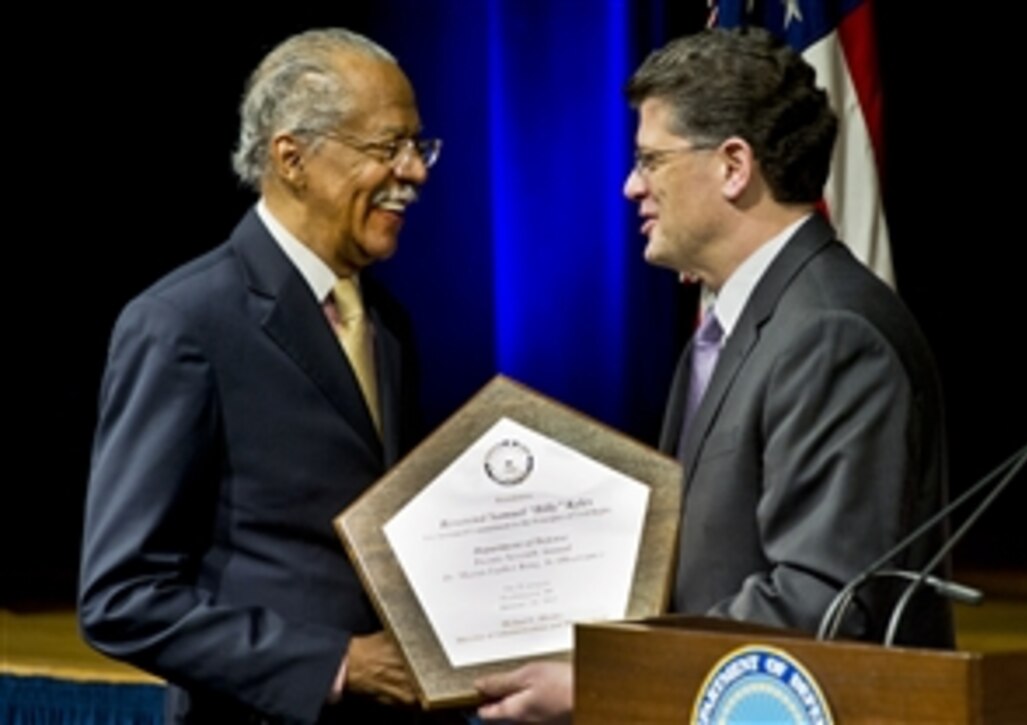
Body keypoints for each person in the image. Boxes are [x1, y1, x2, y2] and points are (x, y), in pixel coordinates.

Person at [475, 25, 953, 722]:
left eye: (649, 160)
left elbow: (818, 603)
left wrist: (608, 673)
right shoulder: (741, 322)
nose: (630, 184)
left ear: (734, 165)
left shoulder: (830, 334)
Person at [79, 28, 453, 724]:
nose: (416, 171)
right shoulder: (182, 323)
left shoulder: (388, 324)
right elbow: (121, 597)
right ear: (292, 158)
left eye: (418, 146)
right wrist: (336, 662)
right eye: (387, 148)